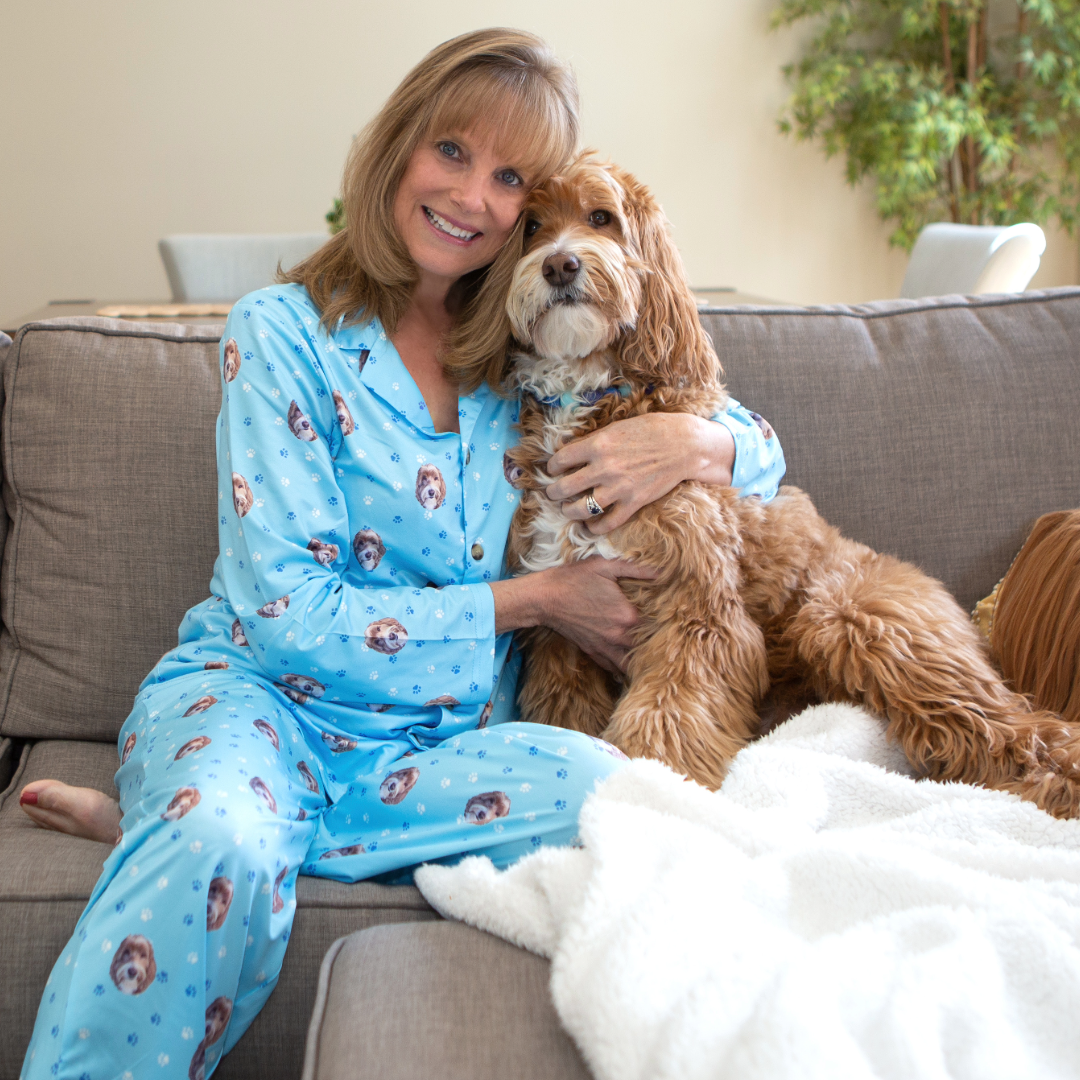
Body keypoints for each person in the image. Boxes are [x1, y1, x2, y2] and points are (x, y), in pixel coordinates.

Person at [19, 28, 786, 1080]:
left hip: (437, 741)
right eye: (452, 153)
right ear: (397, 151)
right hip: (265, 699)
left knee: (625, 800)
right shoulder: (280, 333)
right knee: (219, 842)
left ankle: (197, 828)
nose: (473, 196)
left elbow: (754, 443)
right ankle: (213, 827)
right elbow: (287, 611)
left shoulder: (528, 345)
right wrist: (538, 600)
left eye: (512, 177)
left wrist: (701, 439)